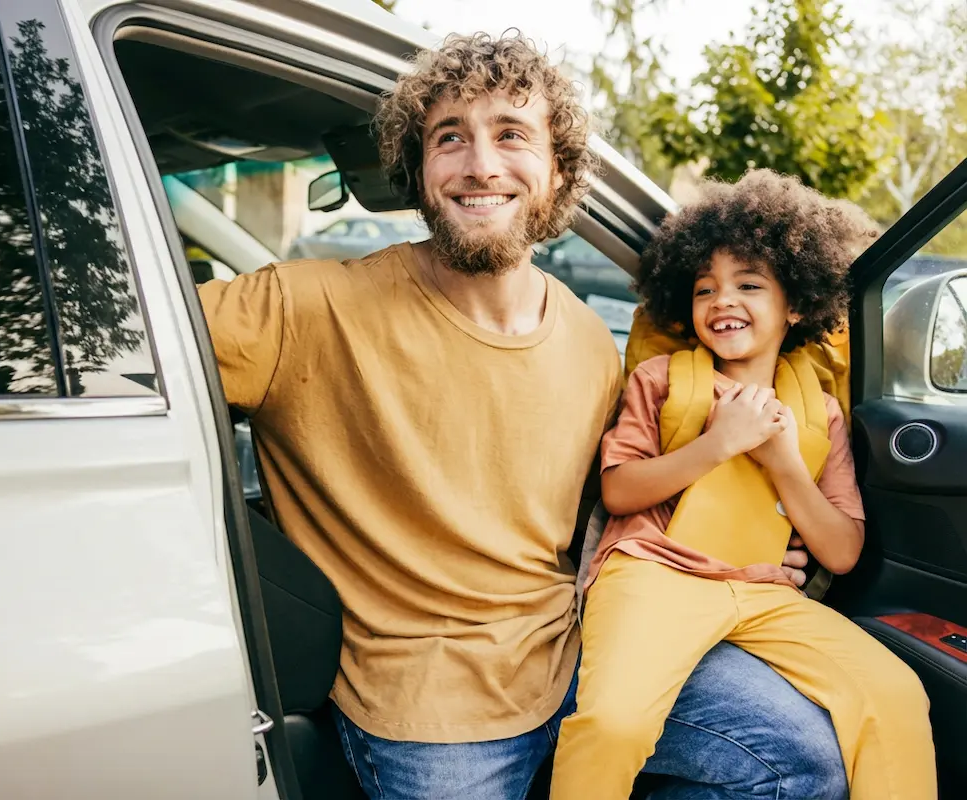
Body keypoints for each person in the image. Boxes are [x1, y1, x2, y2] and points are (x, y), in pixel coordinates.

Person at [199, 32, 850, 800]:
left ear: (559, 171)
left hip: (577, 645)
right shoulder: (297, 307)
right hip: (425, 701)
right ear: (416, 166)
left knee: (799, 762)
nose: (480, 164)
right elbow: (103, 345)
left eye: (512, 135)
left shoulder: (585, 336)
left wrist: (735, 567)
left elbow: (612, 506)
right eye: (450, 138)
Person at [551, 170, 937, 800]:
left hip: (759, 588)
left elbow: (840, 552)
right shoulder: (662, 379)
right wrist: (717, 443)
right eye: (705, 289)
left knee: (894, 695)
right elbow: (619, 491)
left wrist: (784, 462)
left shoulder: (820, 414)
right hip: (654, 573)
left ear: (798, 304)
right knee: (615, 722)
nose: (722, 300)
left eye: (749, 285)